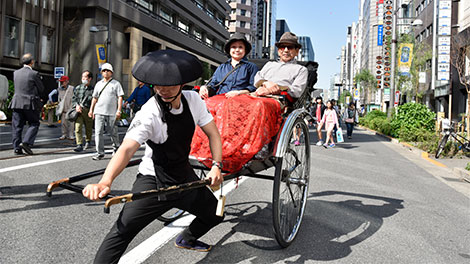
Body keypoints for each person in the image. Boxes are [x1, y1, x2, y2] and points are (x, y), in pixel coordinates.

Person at [82, 50, 224, 263]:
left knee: (216, 213)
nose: (163, 90)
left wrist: (216, 165)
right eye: (158, 85)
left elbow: (213, 133)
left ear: (182, 82)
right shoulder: (149, 113)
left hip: (183, 176)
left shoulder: (193, 99)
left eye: (170, 85)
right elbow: (127, 149)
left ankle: (187, 238)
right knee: (121, 232)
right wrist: (106, 180)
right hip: (153, 181)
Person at [199, 33, 258, 98]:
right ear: (229, 50)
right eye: (233, 47)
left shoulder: (252, 67)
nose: (237, 50)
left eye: (240, 47)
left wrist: (239, 93)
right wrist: (205, 88)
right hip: (220, 102)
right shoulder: (222, 67)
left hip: (242, 103)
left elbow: (254, 87)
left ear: (245, 50)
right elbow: (213, 84)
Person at [254, 32, 308, 100]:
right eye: (282, 47)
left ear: (296, 51)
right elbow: (257, 78)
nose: (286, 50)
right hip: (258, 93)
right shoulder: (269, 64)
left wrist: (273, 89)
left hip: (278, 98)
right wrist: (266, 83)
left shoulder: (301, 69)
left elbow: (297, 90)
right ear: (279, 50)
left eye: (290, 47)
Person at [9, 53, 45, 155]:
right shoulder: (34, 73)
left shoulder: (16, 73)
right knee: (34, 123)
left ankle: (17, 147)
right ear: (32, 62)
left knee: (17, 125)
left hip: (16, 102)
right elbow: (41, 88)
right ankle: (26, 142)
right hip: (30, 102)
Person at [88, 63, 124, 160]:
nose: (106, 72)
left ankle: (116, 147)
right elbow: (94, 98)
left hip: (112, 112)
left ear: (111, 72)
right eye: (104, 71)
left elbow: (120, 97)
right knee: (98, 132)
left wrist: (119, 110)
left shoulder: (116, 84)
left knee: (113, 131)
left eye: (108, 70)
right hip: (99, 111)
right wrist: (91, 110)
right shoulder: (98, 84)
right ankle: (100, 152)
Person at [72, 70, 94, 152]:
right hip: (79, 111)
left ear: (90, 78)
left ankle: (88, 141)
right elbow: (74, 98)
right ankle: (79, 144)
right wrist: (76, 106)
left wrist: (92, 110)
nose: (83, 78)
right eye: (82, 77)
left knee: (88, 127)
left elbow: (94, 100)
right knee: (78, 127)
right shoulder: (78, 88)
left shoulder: (93, 89)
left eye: (85, 77)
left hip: (88, 110)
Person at [54, 76, 75, 140]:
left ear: (67, 81)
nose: (62, 83)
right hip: (63, 109)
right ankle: (64, 134)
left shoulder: (72, 88)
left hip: (70, 109)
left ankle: (71, 135)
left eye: (63, 82)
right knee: (63, 123)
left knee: (71, 123)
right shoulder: (59, 89)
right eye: (61, 82)